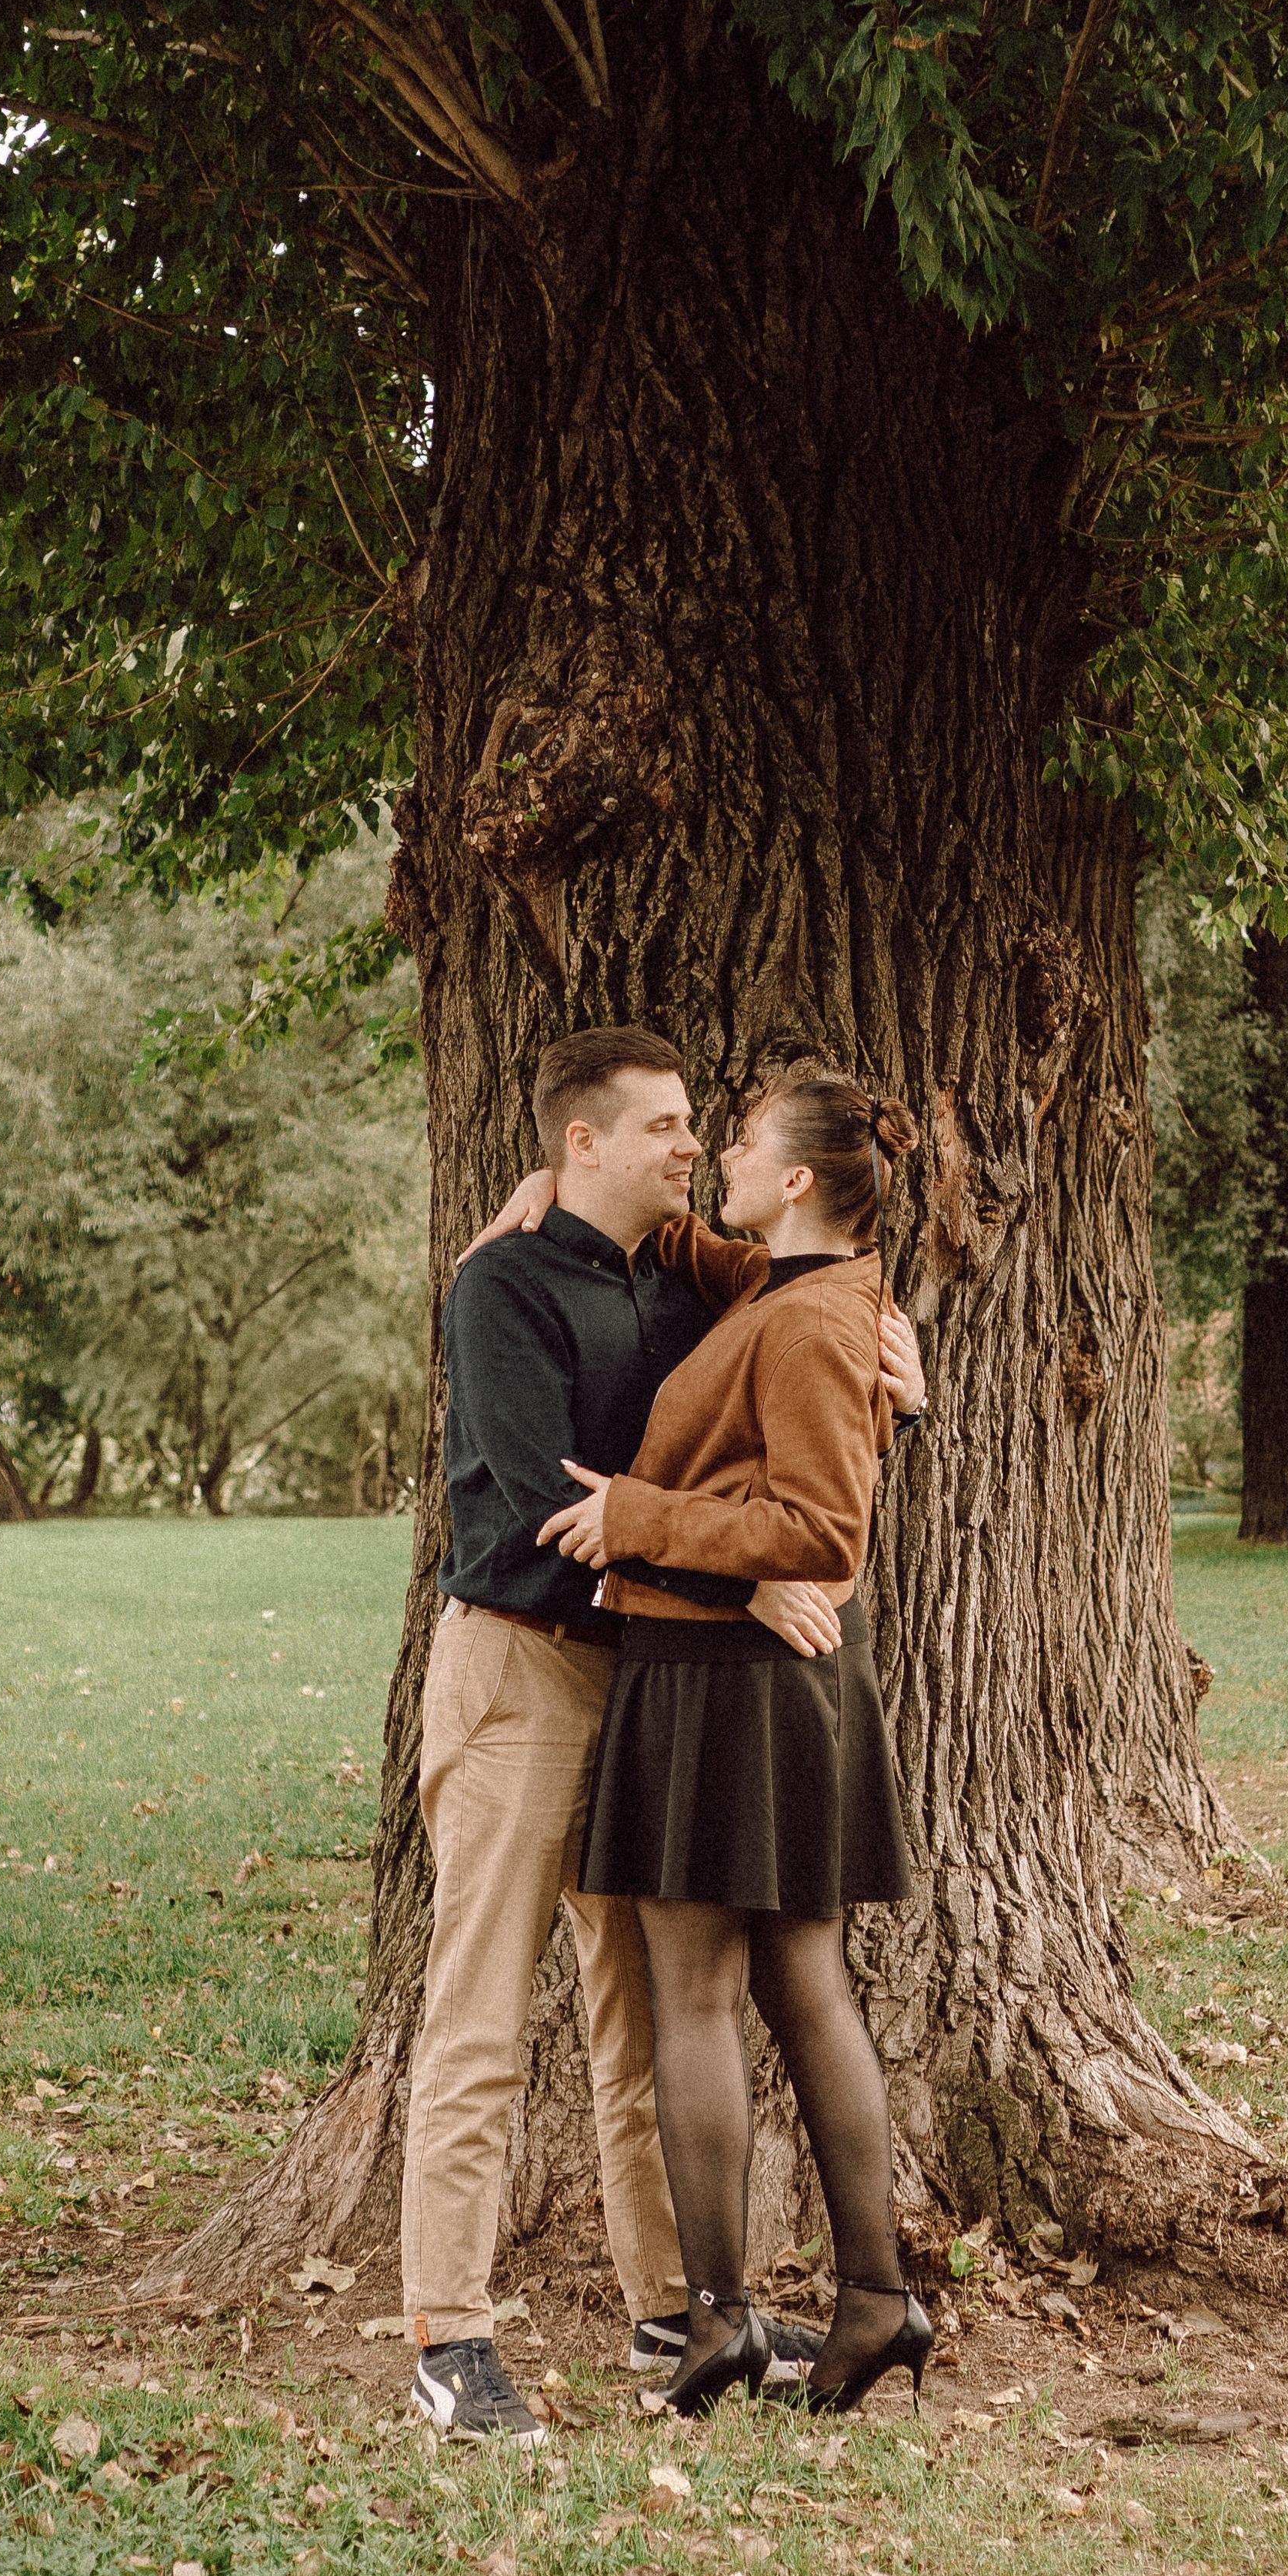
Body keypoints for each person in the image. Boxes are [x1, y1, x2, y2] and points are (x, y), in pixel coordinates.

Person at [405, 1027, 925, 2446]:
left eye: (710, 1128)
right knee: (481, 2012)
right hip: (522, 1672)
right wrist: (741, 1572)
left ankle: (677, 2305)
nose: (693, 1147)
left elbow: (804, 1370)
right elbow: (529, 1500)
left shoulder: (705, 1279)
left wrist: (894, 1363)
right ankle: (450, 2338)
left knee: (643, 2015)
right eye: (668, 1128)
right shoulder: (504, 1285)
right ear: (583, 1144)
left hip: (650, 1683)